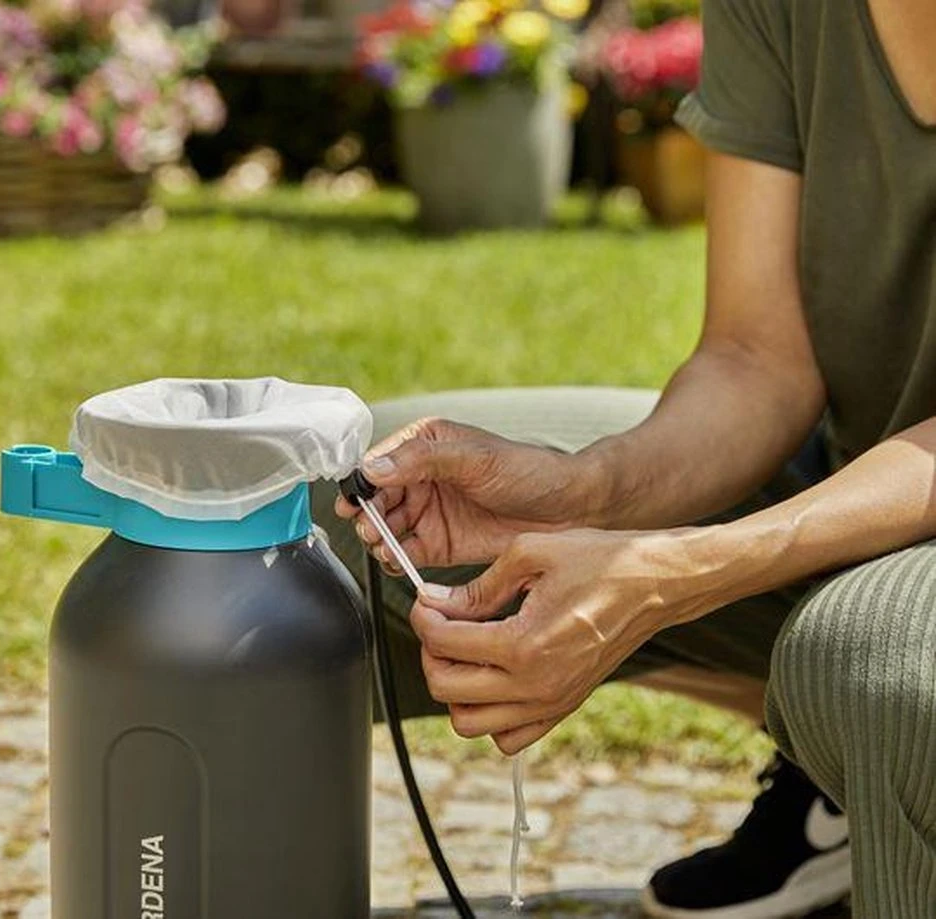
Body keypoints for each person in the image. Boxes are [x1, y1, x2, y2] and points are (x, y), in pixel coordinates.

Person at [317, 0, 936, 915]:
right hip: (852, 475)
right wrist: (586, 489)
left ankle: (870, 743)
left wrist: (674, 570)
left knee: (877, 664)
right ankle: (846, 775)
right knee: (315, 533)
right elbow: (758, 356)